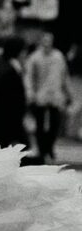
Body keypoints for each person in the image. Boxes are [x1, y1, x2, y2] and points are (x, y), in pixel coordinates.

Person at [25, 31, 72, 162]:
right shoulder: (34, 58)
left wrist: (68, 93)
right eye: (45, 41)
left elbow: (64, 76)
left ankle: (49, 147)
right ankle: (42, 149)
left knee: (55, 125)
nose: (47, 44)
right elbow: (29, 77)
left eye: (49, 41)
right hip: (40, 96)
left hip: (55, 96)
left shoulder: (58, 57)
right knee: (40, 125)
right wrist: (31, 94)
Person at [0, 34, 28, 152]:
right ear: (18, 52)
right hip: (5, 128)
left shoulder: (6, 69)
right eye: (24, 51)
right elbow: (8, 103)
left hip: (3, 127)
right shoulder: (8, 72)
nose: (25, 54)